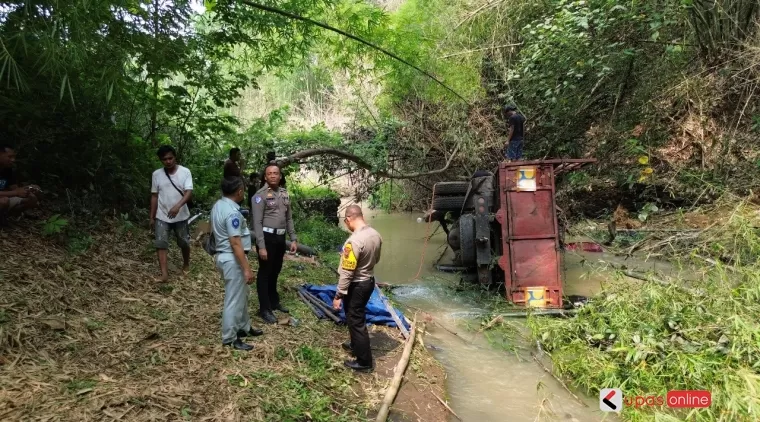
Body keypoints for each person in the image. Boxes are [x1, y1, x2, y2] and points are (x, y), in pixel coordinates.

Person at [211, 177, 263, 351]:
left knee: (242, 294)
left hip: (225, 256)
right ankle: (230, 337)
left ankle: (243, 326)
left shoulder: (219, 205)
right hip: (232, 258)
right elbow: (235, 242)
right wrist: (246, 268)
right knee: (233, 299)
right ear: (239, 191)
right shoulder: (232, 212)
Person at [332, 205, 383, 372]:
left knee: (355, 320)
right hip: (369, 280)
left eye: (346, 222)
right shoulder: (375, 235)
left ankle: (364, 362)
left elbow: (347, 272)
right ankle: (355, 345)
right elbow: (376, 259)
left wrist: (339, 294)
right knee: (354, 314)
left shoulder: (353, 241)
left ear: (348, 220)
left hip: (357, 284)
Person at [251, 163, 298, 324]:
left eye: (275, 173)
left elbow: (289, 218)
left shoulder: (284, 194)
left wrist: (293, 238)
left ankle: (273, 300)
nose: (272, 176)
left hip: (280, 238)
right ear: (265, 177)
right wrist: (261, 246)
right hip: (266, 237)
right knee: (264, 272)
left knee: (276, 269)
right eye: (269, 173)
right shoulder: (260, 196)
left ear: (280, 176)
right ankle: (264, 308)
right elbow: (256, 223)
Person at [150, 145, 193, 282]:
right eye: (164, 159)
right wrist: (152, 216)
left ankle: (186, 263)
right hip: (162, 215)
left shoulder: (185, 172)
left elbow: (188, 193)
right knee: (161, 243)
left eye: (170, 158)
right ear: (161, 160)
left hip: (181, 216)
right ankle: (164, 274)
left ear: (175, 157)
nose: (168, 161)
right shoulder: (156, 174)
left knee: (184, 242)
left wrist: (178, 206)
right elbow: (154, 196)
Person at [0, 143, 40, 220]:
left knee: (32, 197)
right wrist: (16, 193)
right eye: (10, 157)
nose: (13, 160)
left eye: (14, 157)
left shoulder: (8, 170)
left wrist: (27, 190)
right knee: (3, 201)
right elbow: (15, 192)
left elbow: (15, 189)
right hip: (3, 200)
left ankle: (9, 216)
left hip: (5, 198)